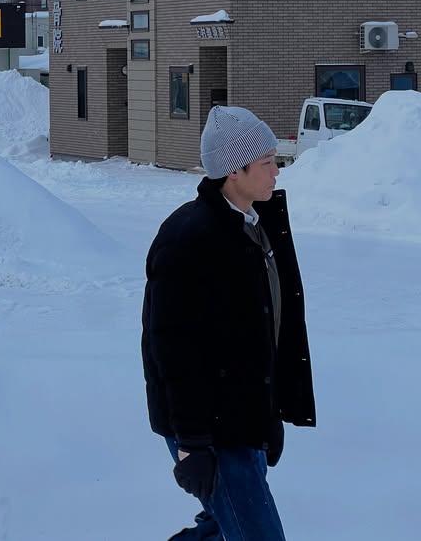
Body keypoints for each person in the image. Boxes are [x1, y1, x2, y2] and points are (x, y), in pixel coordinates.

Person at [141, 106, 316, 541]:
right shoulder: (189, 238)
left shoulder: (255, 226)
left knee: (227, 527)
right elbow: (172, 350)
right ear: (234, 171)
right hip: (211, 431)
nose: (277, 171)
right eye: (268, 162)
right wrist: (193, 443)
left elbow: (263, 332)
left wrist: (269, 412)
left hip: (244, 422)